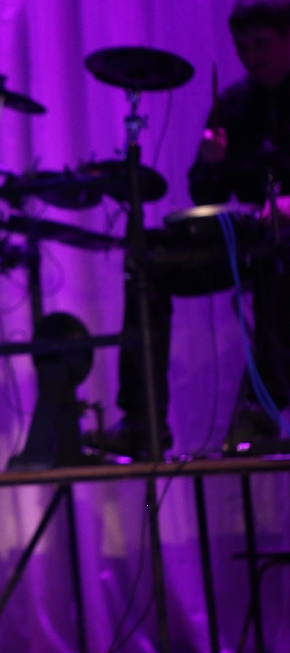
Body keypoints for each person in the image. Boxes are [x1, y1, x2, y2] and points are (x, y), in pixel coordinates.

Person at [91, 0, 290, 456]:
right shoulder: (235, 103)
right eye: (242, 46)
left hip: (280, 241)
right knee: (150, 261)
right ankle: (142, 421)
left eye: (261, 44)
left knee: (277, 259)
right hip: (250, 235)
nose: (250, 56)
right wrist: (209, 162)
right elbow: (205, 193)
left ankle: (261, 408)